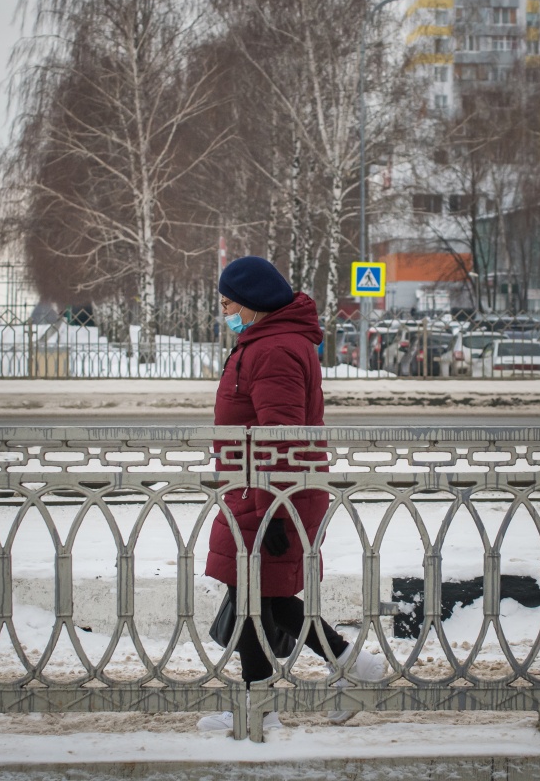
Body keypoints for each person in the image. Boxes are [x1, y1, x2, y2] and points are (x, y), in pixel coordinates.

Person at [198, 256, 384, 732]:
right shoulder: (264, 342)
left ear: (254, 304)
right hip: (257, 492)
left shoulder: (273, 349)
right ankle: (277, 698)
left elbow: (278, 438)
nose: (225, 313)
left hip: (269, 495)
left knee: (261, 599)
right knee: (257, 599)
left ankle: (314, 682)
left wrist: (274, 512)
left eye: (228, 304)